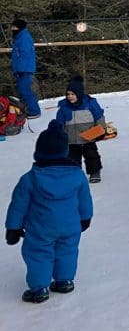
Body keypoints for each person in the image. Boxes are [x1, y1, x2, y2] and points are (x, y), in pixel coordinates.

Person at [5, 121, 93, 303]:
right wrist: (85, 218)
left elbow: (18, 206)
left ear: (38, 152)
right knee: (67, 251)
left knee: (39, 254)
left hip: (40, 228)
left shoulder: (29, 179)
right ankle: (64, 281)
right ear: (64, 151)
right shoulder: (77, 176)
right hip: (70, 226)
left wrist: (13, 228)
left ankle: (39, 289)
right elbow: (85, 199)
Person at [54, 76, 107, 184]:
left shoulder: (90, 104)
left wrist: (102, 129)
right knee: (72, 159)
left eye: (73, 94)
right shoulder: (64, 107)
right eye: (68, 94)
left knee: (92, 156)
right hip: (71, 139)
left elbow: (99, 117)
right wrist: (58, 134)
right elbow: (59, 122)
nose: (70, 97)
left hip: (88, 137)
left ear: (79, 94)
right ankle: (74, 174)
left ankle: (94, 172)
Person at [9, 19, 41, 118]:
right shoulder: (19, 38)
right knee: (23, 90)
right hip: (21, 69)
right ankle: (27, 108)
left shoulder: (24, 38)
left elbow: (25, 55)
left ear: (19, 27)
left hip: (25, 69)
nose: (12, 29)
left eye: (14, 27)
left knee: (25, 90)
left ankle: (34, 111)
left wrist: (21, 70)